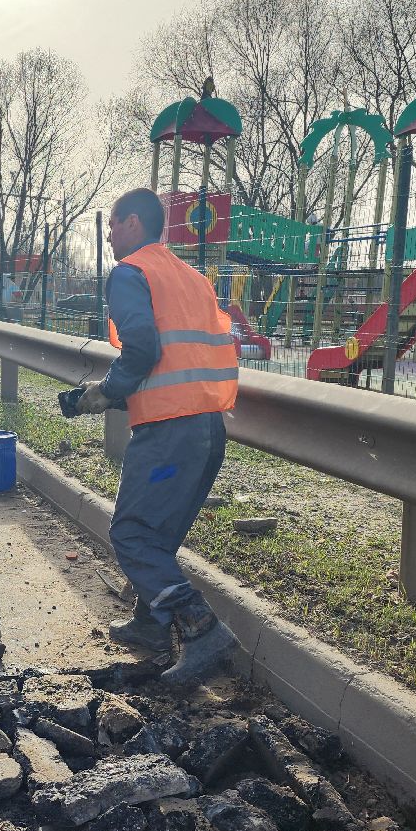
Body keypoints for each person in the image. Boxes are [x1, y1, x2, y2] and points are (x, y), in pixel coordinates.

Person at [76, 187, 240, 682]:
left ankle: (203, 630)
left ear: (133, 224)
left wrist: (107, 392)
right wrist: (114, 391)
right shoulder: (190, 277)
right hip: (207, 427)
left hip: (170, 429)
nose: (108, 234)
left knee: (130, 533)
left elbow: (143, 349)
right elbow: (177, 359)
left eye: (113, 223)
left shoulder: (130, 273)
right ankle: (151, 625)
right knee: (158, 536)